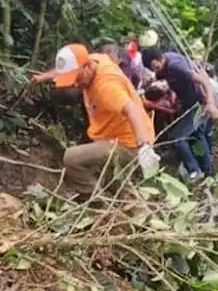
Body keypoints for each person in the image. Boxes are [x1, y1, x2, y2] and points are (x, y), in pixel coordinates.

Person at [32, 44, 160, 195]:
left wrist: (144, 146)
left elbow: (133, 110)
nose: (75, 84)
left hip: (129, 142)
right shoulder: (94, 60)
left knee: (71, 158)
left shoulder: (106, 86)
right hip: (114, 135)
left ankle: (98, 202)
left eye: (77, 78)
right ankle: (137, 212)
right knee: (116, 183)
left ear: (86, 67)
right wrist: (43, 77)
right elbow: (64, 70)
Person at [141, 46, 218, 182]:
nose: (155, 70)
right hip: (189, 103)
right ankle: (209, 172)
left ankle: (194, 170)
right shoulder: (165, 63)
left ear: (159, 59)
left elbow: (204, 81)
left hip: (199, 104)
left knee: (177, 137)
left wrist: (210, 103)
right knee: (197, 136)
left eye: (155, 66)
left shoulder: (176, 67)